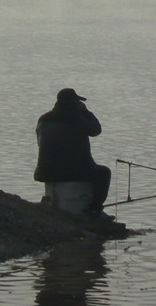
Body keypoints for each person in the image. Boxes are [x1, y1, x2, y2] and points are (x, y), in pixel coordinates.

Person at [34, 88, 112, 220]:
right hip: (71, 171)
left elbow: (39, 143)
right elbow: (96, 130)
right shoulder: (75, 119)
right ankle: (94, 210)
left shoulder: (43, 119)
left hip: (45, 171)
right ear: (74, 103)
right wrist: (85, 111)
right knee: (104, 173)